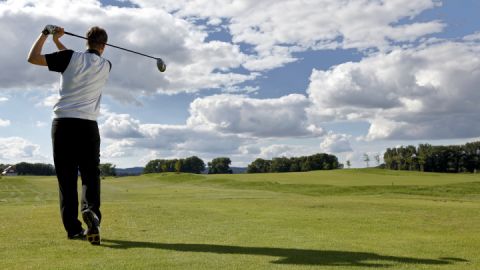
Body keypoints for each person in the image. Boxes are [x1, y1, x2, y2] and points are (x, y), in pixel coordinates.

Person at [27, 25, 111, 245]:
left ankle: (74, 229)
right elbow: (77, 60)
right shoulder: (106, 65)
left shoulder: (69, 57)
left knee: (66, 179)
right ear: (103, 46)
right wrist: (57, 42)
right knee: (90, 176)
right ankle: (91, 211)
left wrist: (46, 34)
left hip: (63, 125)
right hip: (89, 127)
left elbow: (33, 58)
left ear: (86, 41)